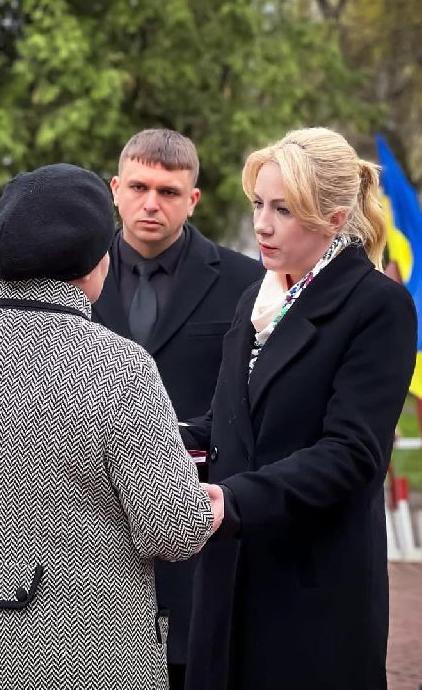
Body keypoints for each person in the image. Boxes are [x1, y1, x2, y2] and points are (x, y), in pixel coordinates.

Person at [0, 163, 221, 690]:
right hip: (97, 659)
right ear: (91, 265)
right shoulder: (119, 367)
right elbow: (170, 531)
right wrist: (207, 499)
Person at [180, 128, 417, 690]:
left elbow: (353, 453)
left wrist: (231, 500)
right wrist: (159, 439)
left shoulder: (377, 305)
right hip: (228, 577)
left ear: (335, 218)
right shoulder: (257, 298)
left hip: (311, 590)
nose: (261, 224)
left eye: (283, 210)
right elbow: (233, 421)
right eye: (259, 204)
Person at [92, 128, 261, 686]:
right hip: (92, 530)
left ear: (192, 200)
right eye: (138, 186)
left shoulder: (247, 281)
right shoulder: (72, 280)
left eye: (168, 191)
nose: (150, 203)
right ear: (115, 189)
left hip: (198, 523)